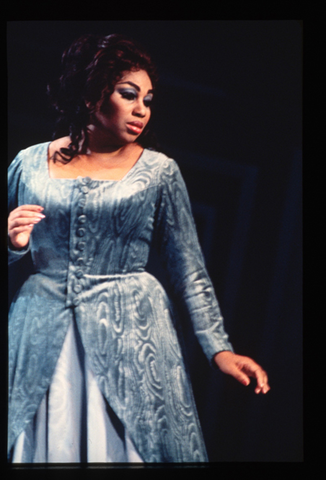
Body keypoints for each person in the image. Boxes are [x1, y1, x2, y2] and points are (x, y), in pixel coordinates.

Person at [7, 33, 270, 463]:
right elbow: (11, 251)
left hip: (132, 330)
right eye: (128, 94)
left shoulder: (159, 172)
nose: (141, 110)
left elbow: (188, 269)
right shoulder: (30, 163)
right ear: (92, 93)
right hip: (40, 327)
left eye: (147, 99)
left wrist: (218, 348)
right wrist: (11, 244)